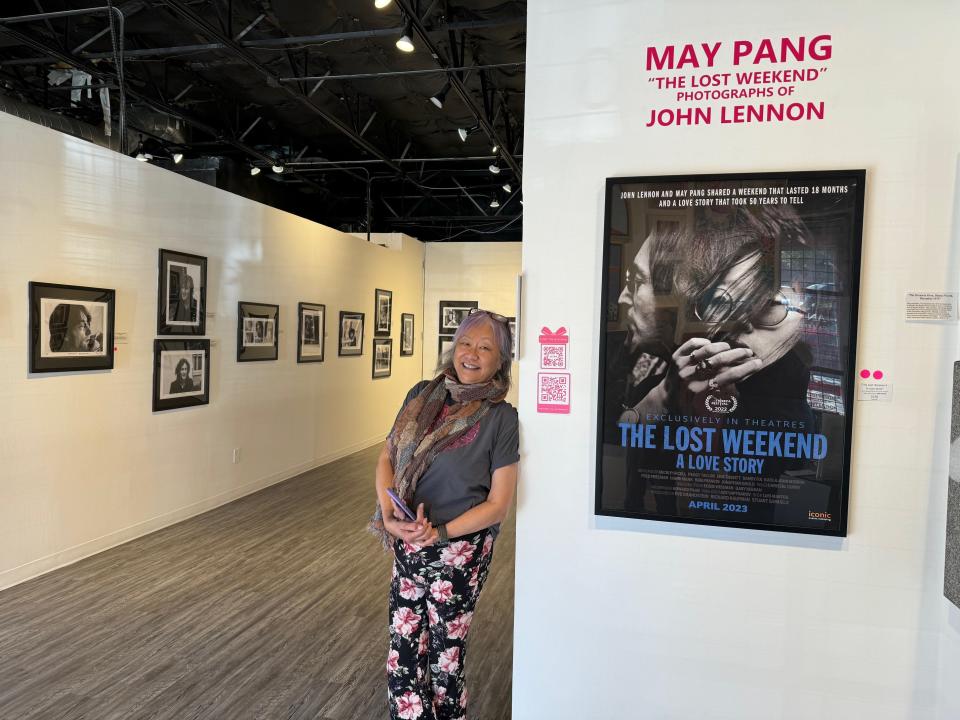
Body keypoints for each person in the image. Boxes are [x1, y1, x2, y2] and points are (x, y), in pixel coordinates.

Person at [370, 309, 519, 720]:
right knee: (402, 657)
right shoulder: (422, 394)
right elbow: (386, 455)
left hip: (458, 553)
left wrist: (440, 532)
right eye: (466, 343)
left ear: (500, 360)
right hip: (408, 542)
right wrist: (389, 513)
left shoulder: (500, 418)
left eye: (486, 347)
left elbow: (498, 504)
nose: (472, 354)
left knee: (444, 663)